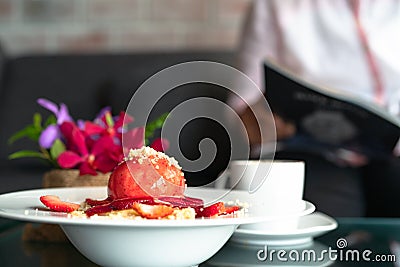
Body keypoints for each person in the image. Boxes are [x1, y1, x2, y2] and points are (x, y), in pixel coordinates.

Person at [230, 0, 400, 217]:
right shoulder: (274, 5)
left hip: (393, 151)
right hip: (309, 151)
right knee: (318, 211)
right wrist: (260, 120)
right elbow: (241, 107)